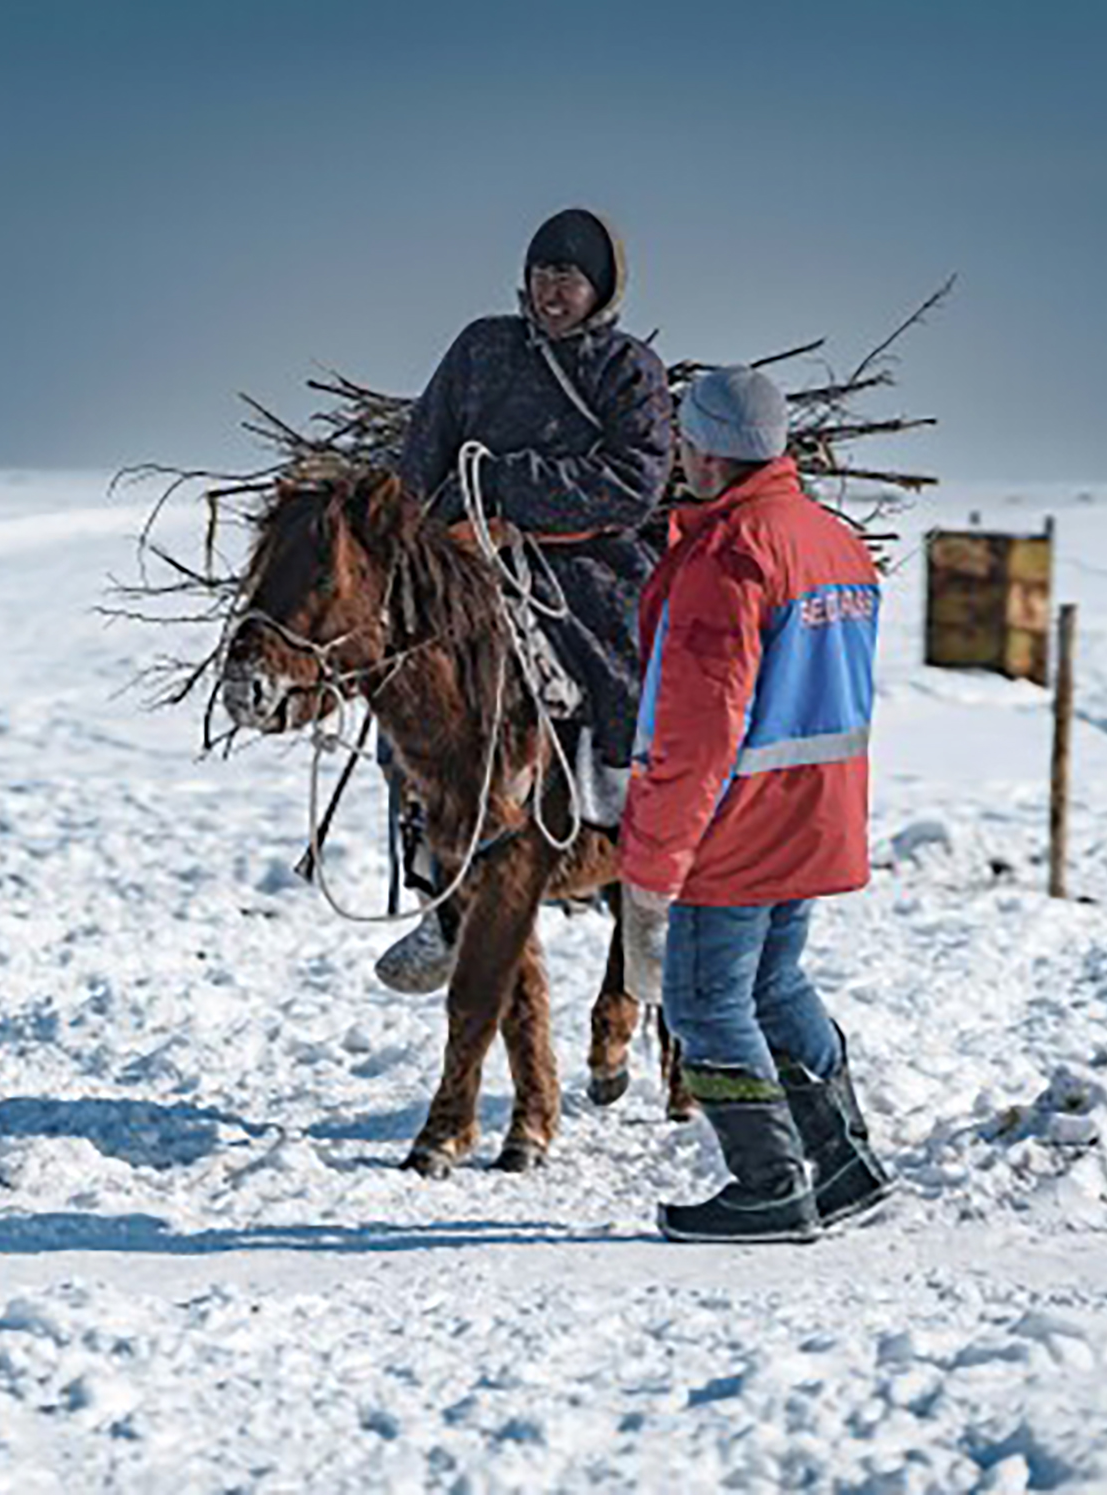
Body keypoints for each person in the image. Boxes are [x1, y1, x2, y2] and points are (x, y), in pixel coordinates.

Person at [619, 365, 892, 1243]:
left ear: (703, 449)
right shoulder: (832, 540)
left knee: (705, 1002)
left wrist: (655, 857)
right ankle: (843, 1164)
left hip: (741, 818)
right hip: (820, 807)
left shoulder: (730, 554)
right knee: (774, 983)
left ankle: (770, 1184)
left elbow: (698, 727)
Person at [375, 206, 673, 993]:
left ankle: (639, 870)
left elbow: (633, 483)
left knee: (624, 681)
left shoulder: (627, 370)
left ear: (601, 288)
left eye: (569, 276)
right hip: (470, 557)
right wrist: (439, 532)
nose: (551, 288)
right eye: (542, 272)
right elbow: (423, 452)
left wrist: (512, 490)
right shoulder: (481, 349)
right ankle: (437, 893)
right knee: (406, 692)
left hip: (590, 563)